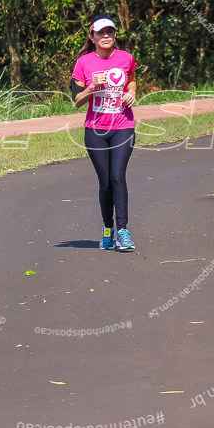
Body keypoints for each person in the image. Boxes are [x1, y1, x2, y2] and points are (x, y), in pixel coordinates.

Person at [70, 16, 138, 251]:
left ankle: (123, 230)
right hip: (96, 130)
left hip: (123, 126)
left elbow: (131, 82)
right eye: (101, 33)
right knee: (105, 182)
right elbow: (77, 101)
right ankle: (107, 229)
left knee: (118, 176)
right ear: (92, 37)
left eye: (110, 31)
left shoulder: (126, 58)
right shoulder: (83, 63)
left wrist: (131, 93)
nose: (106, 36)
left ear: (115, 35)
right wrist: (92, 88)